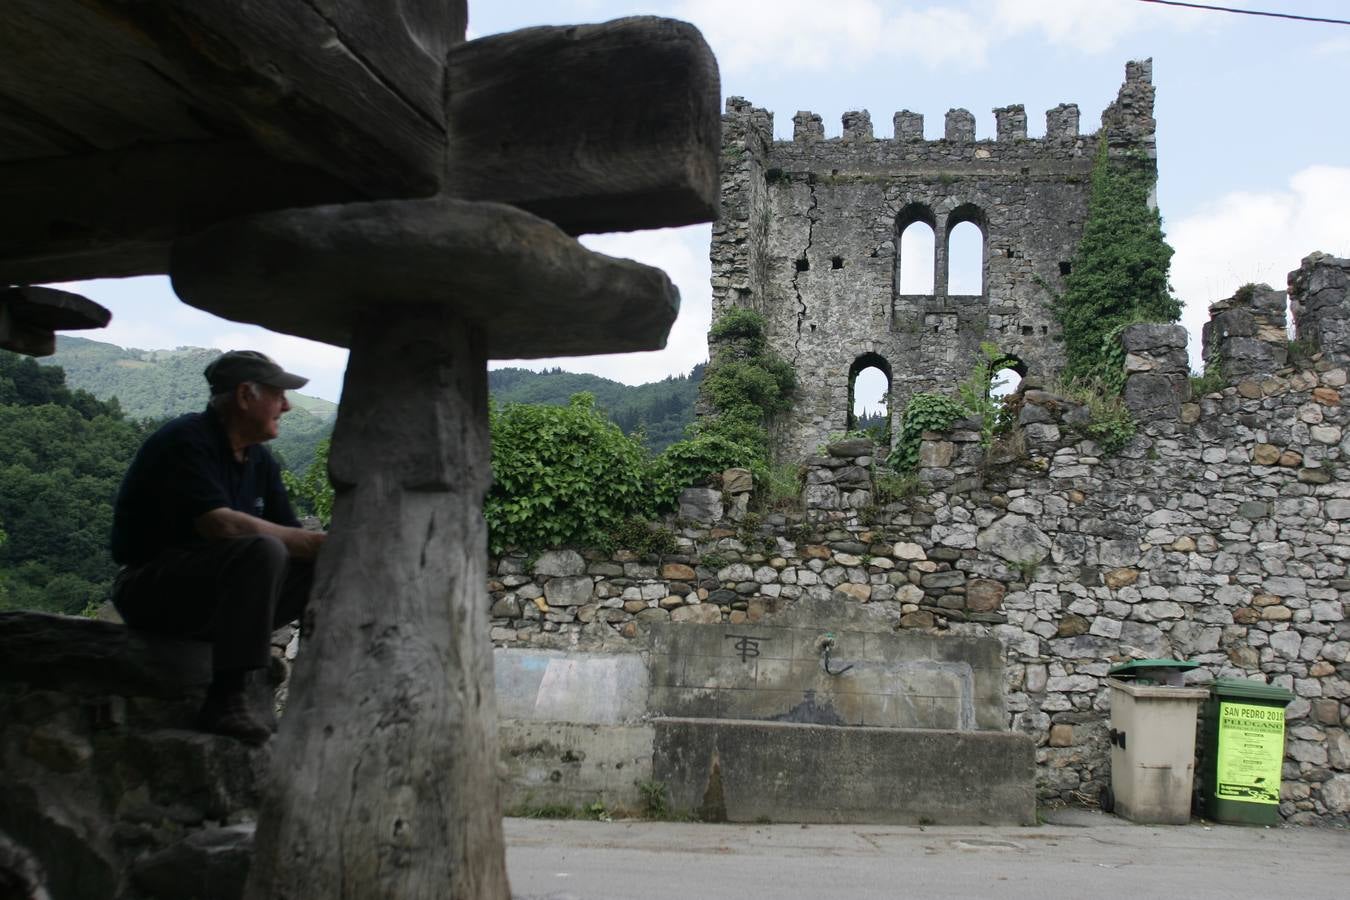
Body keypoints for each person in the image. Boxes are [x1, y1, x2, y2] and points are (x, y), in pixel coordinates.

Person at [110, 350, 325, 744]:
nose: (287, 406)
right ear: (246, 396)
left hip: (217, 598)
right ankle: (226, 699)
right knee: (263, 550)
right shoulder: (184, 441)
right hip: (154, 590)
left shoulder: (260, 461)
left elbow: (295, 542)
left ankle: (322, 692)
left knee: (317, 565)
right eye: (278, 396)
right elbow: (219, 525)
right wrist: (314, 542)